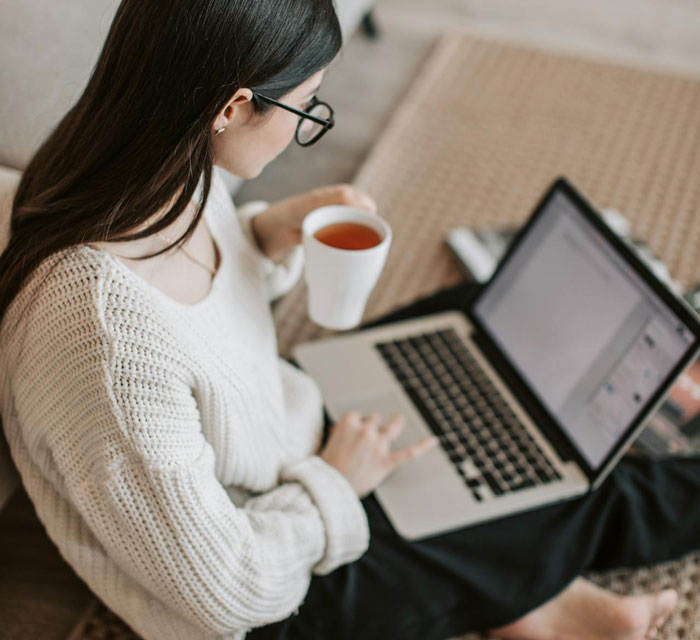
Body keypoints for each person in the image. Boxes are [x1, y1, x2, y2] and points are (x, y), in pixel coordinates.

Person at [0, 1, 696, 639]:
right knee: (570, 483)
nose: (306, 126)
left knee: (474, 337)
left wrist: (266, 235)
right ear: (235, 107)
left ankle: (537, 603)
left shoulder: (141, 159)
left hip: (277, 428)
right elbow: (228, 588)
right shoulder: (106, 347)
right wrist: (337, 481)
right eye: (306, 110)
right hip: (270, 585)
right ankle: (540, 600)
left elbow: (191, 306)